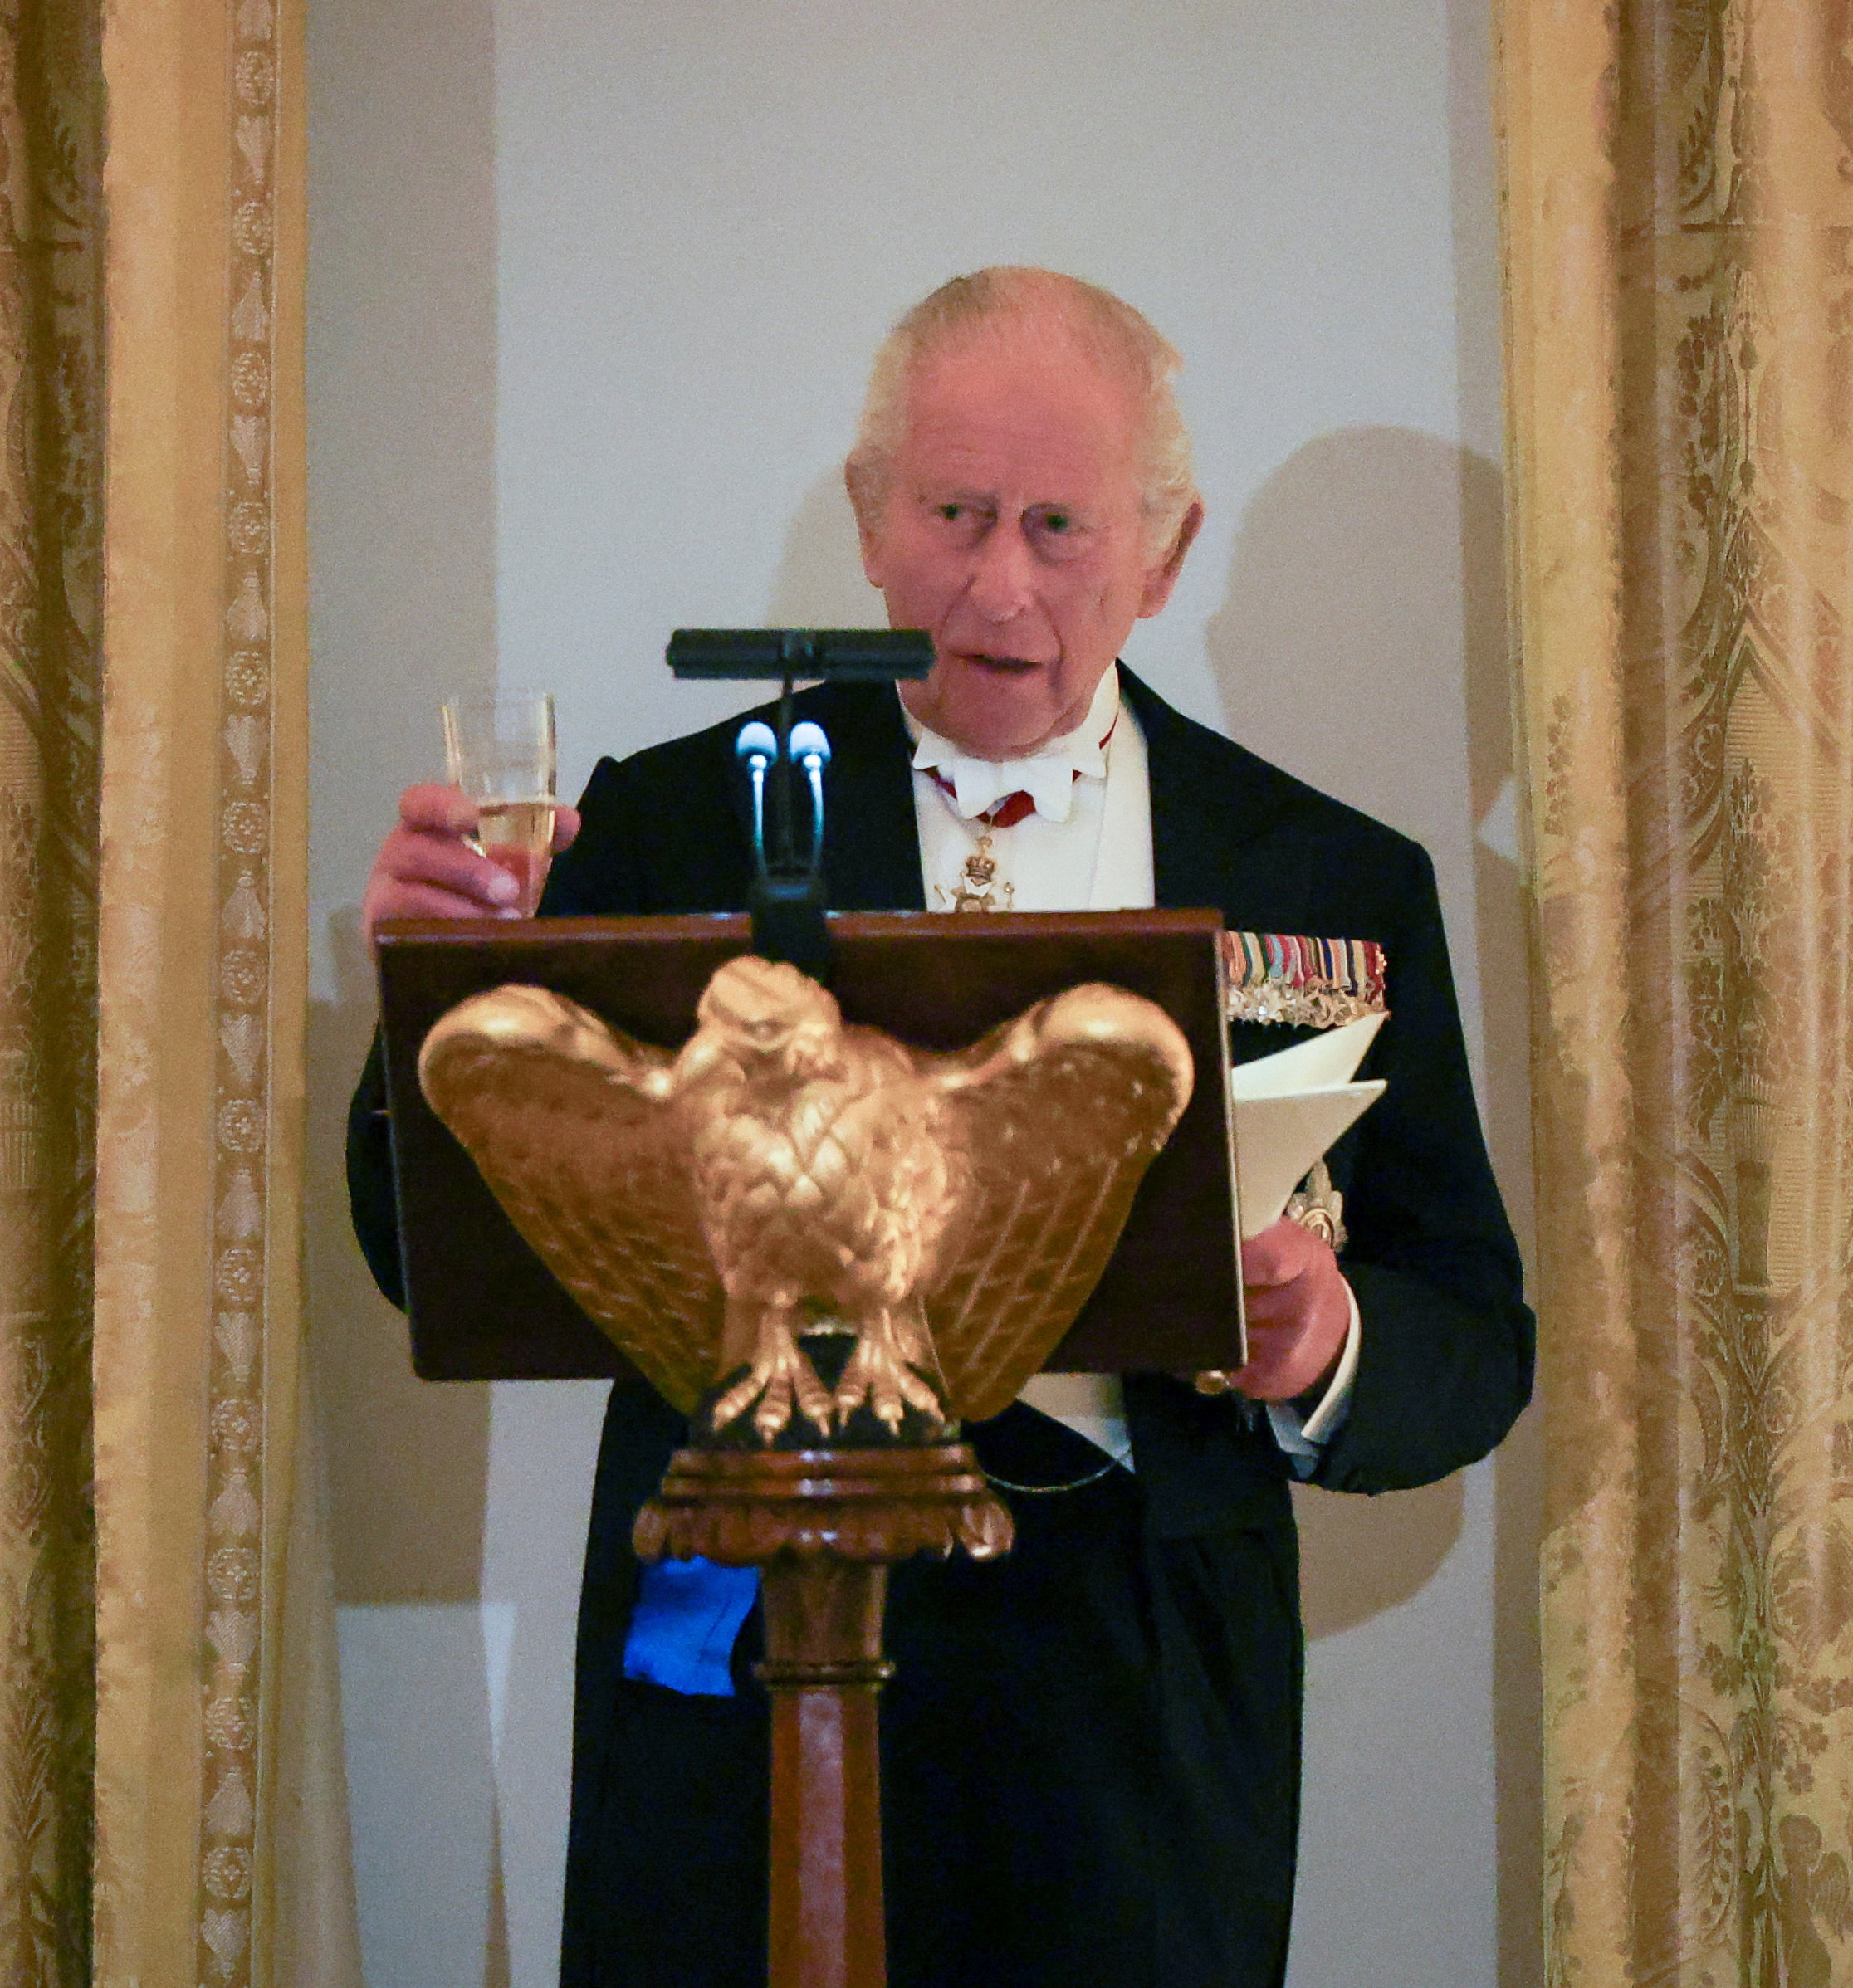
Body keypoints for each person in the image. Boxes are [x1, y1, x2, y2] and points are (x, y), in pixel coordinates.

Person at [345, 268, 1532, 1986]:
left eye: (1059, 525)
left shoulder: (1328, 876)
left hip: (1137, 1674)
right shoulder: (672, 822)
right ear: (868, 519)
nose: (1000, 582)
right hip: (745, 1641)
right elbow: (423, 1238)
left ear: (1163, 550)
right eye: (956, 513)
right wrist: (431, 998)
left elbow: (1469, 1331)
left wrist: (1327, 1335)